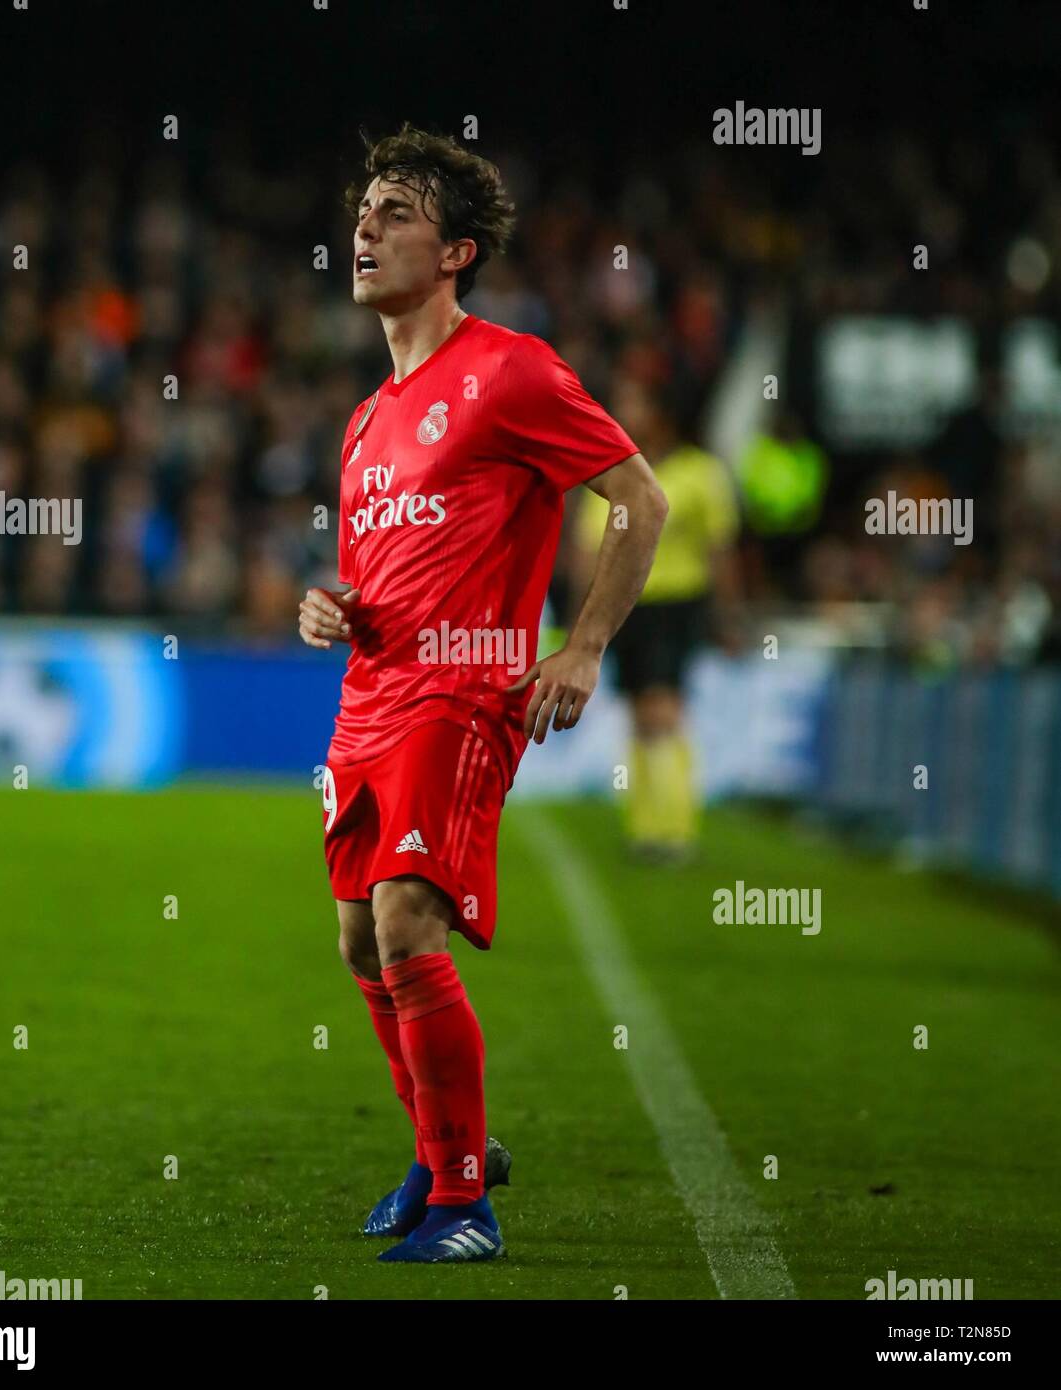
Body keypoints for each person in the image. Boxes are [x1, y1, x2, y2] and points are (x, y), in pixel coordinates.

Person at [298, 123, 667, 1263]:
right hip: (369, 696)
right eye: (362, 210)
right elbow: (380, 575)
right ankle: (438, 1147)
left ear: (455, 251)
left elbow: (639, 501)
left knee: (409, 915)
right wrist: (333, 610)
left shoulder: (512, 370)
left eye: (394, 212)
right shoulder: (364, 423)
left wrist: (583, 644)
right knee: (362, 942)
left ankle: (465, 1204)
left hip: (463, 693)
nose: (364, 227)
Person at [574, 381, 740, 862]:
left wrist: (727, 614)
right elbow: (589, 549)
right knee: (638, 715)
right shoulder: (610, 473)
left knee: (664, 709)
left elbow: (719, 549)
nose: (624, 411)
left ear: (663, 415)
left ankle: (676, 829)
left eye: (634, 402)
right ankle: (647, 828)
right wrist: (584, 615)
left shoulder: (701, 472)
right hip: (625, 608)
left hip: (678, 604)